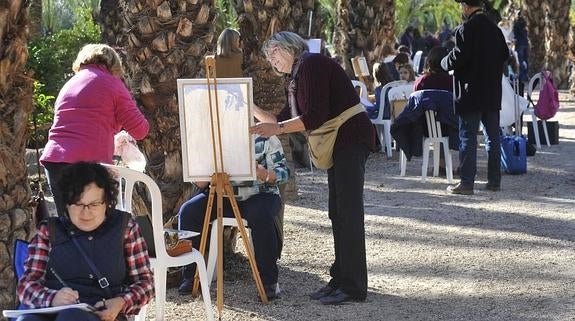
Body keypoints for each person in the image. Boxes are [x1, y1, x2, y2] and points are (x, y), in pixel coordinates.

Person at [250, 31, 375, 305]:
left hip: (350, 137)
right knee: (337, 212)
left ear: (289, 48)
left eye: (274, 52)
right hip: (340, 142)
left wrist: (277, 128)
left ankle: (353, 286)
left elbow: (312, 116)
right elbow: (280, 118)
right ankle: (340, 278)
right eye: (268, 56)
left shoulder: (310, 64)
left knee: (348, 212)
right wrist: (250, 105)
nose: (271, 60)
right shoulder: (295, 77)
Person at [17, 162, 154, 321]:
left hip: (104, 314)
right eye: (78, 204)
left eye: (94, 204)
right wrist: (51, 298)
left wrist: (121, 302)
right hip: (53, 312)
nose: (86, 212)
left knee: (72, 317)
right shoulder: (49, 231)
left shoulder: (125, 228)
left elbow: (146, 283)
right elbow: (26, 285)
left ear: (107, 202)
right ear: (67, 204)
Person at [40, 44, 149, 217]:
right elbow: (140, 129)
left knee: (68, 228)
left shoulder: (69, 84)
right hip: (86, 166)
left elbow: (82, 129)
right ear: (113, 64)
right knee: (94, 229)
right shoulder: (112, 83)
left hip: (54, 162)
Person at [177, 135, 290, 300]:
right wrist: (203, 172)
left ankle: (268, 282)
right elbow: (201, 184)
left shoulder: (265, 136)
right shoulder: (213, 134)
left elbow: (284, 173)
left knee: (261, 215)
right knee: (188, 211)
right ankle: (191, 275)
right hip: (224, 196)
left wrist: (264, 173)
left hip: (261, 194)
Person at [441, 0, 508, 194]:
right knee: (493, 137)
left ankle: (467, 183)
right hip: (492, 91)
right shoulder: (494, 29)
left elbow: (459, 57)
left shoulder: (466, 29)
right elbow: (505, 54)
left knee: (468, 137)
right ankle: (494, 181)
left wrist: (444, 62)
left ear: (466, 6)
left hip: (470, 93)